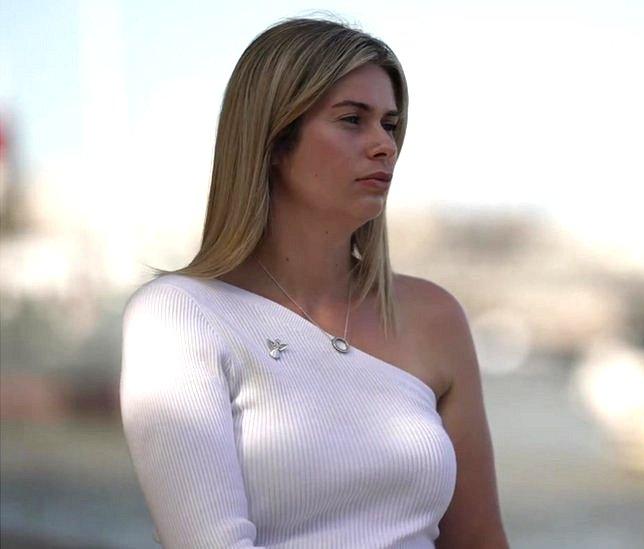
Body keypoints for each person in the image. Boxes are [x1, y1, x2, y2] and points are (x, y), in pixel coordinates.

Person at [118, 16, 509, 548]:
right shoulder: (179, 315)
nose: (384, 146)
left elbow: (479, 540)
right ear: (274, 140)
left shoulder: (433, 316)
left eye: (390, 125)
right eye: (353, 120)